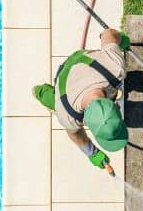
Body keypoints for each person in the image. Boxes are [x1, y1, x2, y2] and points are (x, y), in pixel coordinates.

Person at [33, 28, 130, 171]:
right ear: (84, 122)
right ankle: (39, 92)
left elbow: (109, 34)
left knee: (111, 86)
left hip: (82, 61)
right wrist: (92, 153)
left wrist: (118, 40)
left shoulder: (115, 67)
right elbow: (75, 134)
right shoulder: (68, 115)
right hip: (64, 77)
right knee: (53, 101)